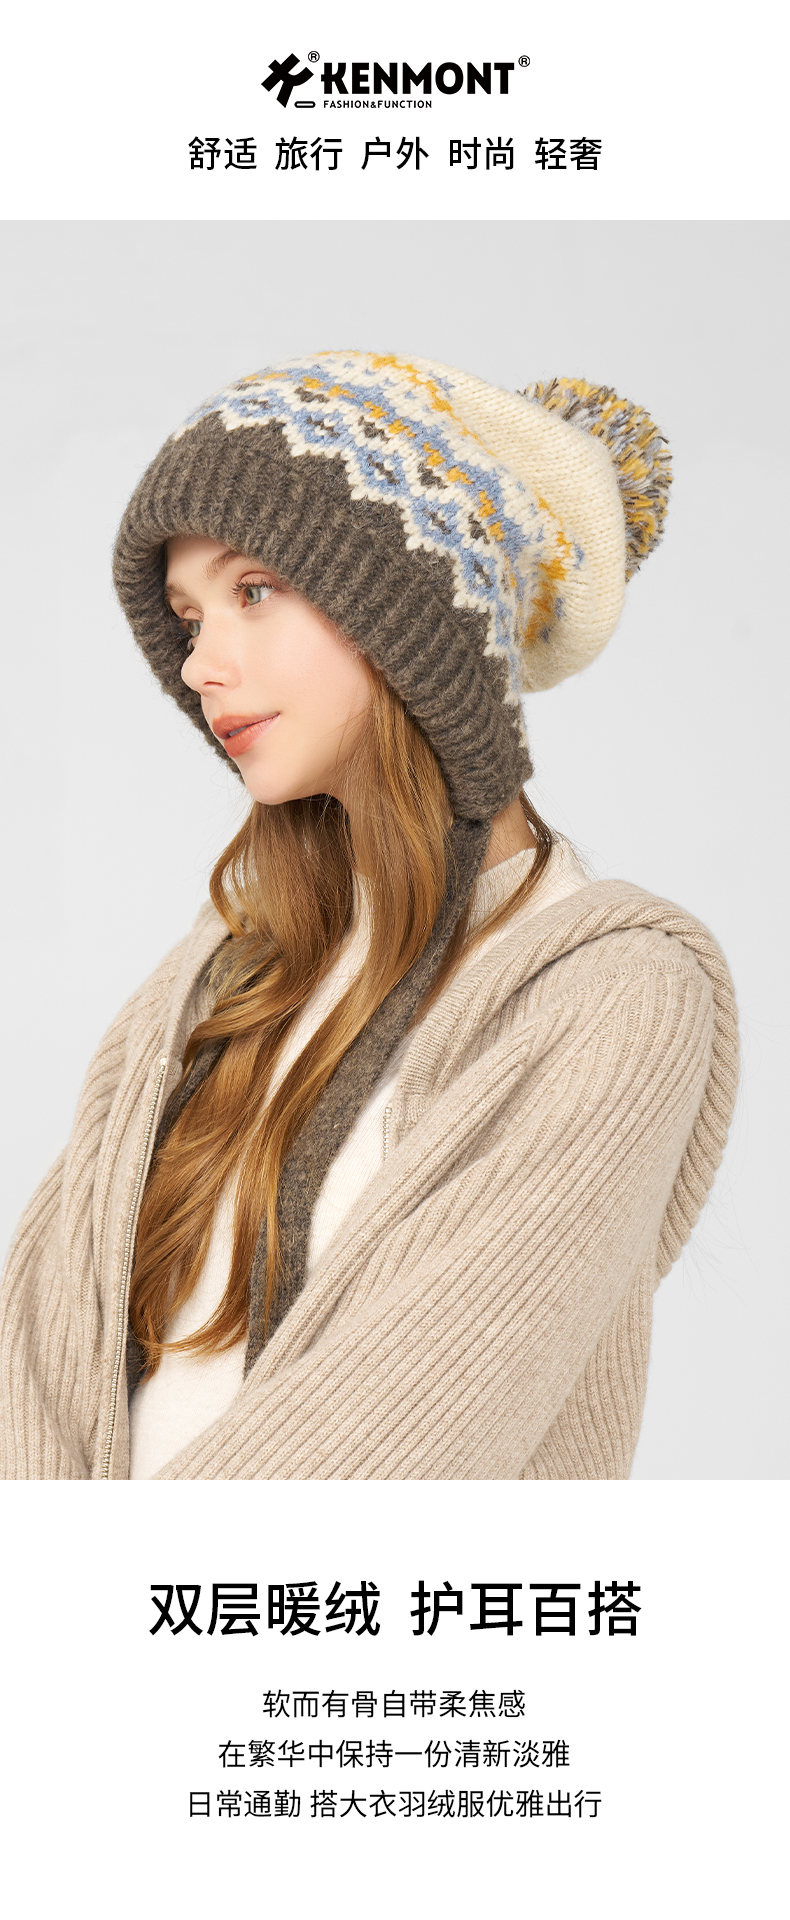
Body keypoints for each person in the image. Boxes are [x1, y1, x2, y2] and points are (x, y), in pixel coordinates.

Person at [0, 351, 739, 1481]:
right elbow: (40, 1357)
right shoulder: (224, 975)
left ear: (409, 617)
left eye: (254, 591)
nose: (199, 666)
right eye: (190, 619)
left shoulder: (616, 997)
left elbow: (391, 1444)